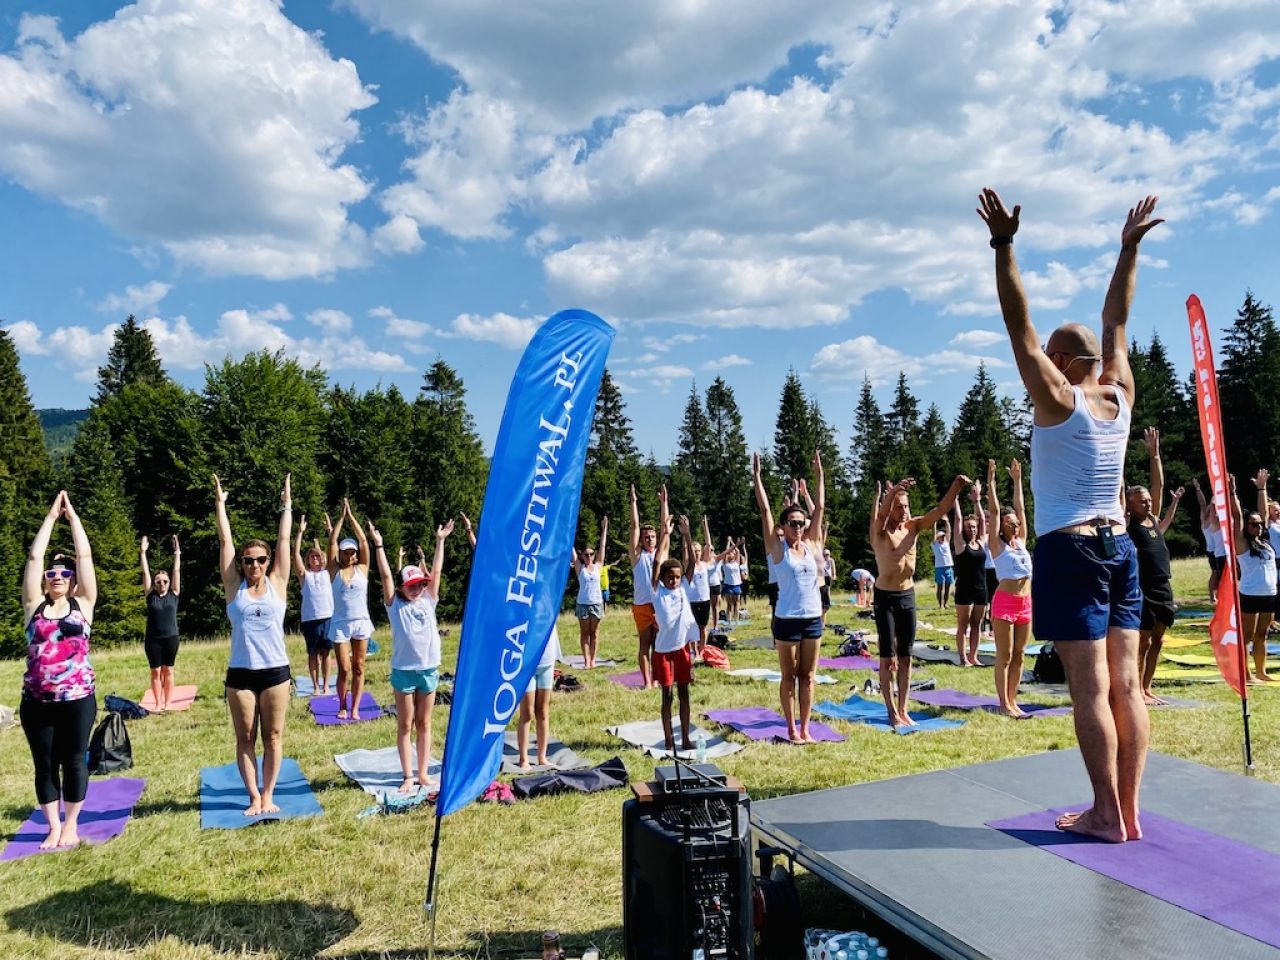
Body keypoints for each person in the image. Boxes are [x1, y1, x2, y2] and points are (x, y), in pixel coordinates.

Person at [979, 187, 1162, 841]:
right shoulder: (1121, 389)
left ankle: (1106, 813)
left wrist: (1004, 246)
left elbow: (1016, 325)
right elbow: (1117, 318)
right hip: (1120, 549)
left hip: (1073, 549)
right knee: (1127, 686)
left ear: (1059, 363)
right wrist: (1127, 249)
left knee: (1090, 690)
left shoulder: (1058, 397)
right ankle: (1129, 813)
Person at [21, 491, 98, 849]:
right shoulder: (33, 606)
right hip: (37, 701)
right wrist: (50, 519)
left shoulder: (83, 605)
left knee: (74, 760)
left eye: (64, 573)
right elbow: (35, 556)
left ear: (73, 580)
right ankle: (53, 826)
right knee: (45, 764)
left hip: (78, 699)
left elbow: (85, 555)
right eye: (52, 572)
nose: (57, 576)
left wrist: (74, 520)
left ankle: (72, 825)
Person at [214, 472, 292, 816]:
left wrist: (286, 506)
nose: (255, 565)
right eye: (248, 560)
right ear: (241, 565)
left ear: (268, 561)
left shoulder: (278, 581)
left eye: (261, 559)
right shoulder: (234, 586)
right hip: (241, 675)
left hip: (275, 672)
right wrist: (220, 505)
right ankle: (253, 796)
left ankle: (269, 793)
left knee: (273, 737)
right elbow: (225, 540)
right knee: (245, 738)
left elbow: (285, 538)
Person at [873, 475, 969, 727]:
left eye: (906, 506)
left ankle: (903, 709)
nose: (904, 510)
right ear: (890, 506)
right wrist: (891, 492)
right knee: (887, 658)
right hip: (885, 598)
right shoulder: (880, 532)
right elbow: (881, 516)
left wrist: (955, 486)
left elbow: (939, 511)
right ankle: (891, 711)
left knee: (906, 656)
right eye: (899, 506)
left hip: (907, 596)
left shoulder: (913, 527)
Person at [371, 519, 450, 792]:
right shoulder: (395, 606)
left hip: (428, 669)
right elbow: (384, 576)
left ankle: (424, 772)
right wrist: (379, 545)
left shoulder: (429, 600)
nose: (417, 589)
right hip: (403, 670)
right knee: (405, 724)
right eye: (412, 585)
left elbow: (437, 570)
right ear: (402, 587)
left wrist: (440, 541)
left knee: (424, 723)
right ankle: (407, 775)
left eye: (420, 585)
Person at [754, 452, 827, 743]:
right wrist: (757, 478)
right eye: (793, 523)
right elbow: (764, 512)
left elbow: (820, 506)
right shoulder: (778, 549)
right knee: (789, 676)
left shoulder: (810, 544)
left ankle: (806, 728)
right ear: (783, 527)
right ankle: (791, 729)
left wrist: (820, 474)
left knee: (808, 677)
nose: (798, 527)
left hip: (812, 618)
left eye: (801, 523)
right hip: (786, 620)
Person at [1127, 428, 1183, 704]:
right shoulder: (1129, 524)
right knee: (1143, 641)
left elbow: (1158, 486)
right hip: (1142, 588)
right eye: (1142, 501)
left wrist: (1155, 454)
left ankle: (1147, 688)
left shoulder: (1153, 519)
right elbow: (1121, 490)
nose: (1148, 503)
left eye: (1149, 500)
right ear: (1130, 505)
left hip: (1163, 586)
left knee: (1158, 641)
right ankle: (1135, 689)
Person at [650, 488, 698, 753]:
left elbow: (690, 561)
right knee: (667, 696)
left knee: (684, 694)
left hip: (681, 650)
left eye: (677, 577)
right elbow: (658, 561)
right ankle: (669, 739)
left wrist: (687, 535)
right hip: (663, 652)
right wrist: (665, 532)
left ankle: (685, 738)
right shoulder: (658, 591)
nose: (674, 580)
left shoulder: (683, 589)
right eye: (670, 577)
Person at [986, 459, 1033, 716]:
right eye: (1010, 522)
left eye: (1016, 522)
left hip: (1026, 603)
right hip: (1005, 601)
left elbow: (1021, 509)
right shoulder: (997, 545)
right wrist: (991, 481)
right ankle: (1003, 704)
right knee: (1004, 655)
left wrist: (1017, 480)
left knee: (1020, 655)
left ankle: (1013, 701)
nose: (1015, 525)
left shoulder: (1022, 541)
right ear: (1002, 525)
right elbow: (993, 511)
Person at [327, 499, 374, 720]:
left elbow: (364, 541)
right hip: (340, 624)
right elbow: (331, 542)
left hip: (361, 621)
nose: (350, 555)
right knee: (344, 668)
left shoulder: (362, 569)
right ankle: (342, 705)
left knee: (359, 666)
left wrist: (352, 517)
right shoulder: (334, 570)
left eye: (352, 552)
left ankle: (355, 707)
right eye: (346, 552)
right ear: (342, 554)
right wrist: (341, 519)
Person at [1233, 471, 1276, 683]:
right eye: (1254, 524)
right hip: (1250, 594)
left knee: (1262, 635)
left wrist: (1262, 488)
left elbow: (1264, 513)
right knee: (1247, 637)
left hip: (1269, 594)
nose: (1258, 527)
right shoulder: (1241, 543)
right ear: (1246, 527)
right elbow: (1238, 517)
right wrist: (1232, 494)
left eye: (1259, 524)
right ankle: (1246, 674)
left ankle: (1261, 671)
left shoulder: (1264, 540)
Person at [140, 534, 181, 712]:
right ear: (155, 584)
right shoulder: (151, 596)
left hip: (171, 638)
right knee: (156, 672)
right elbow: (145, 572)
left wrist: (177, 553)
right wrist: (142, 552)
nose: (162, 583)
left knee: (168, 670)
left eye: (165, 581)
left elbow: (176, 571)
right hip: (153, 640)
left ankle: (168, 702)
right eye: (159, 581)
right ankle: (158, 703)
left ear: (169, 582)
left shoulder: (174, 594)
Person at [293, 516, 334, 696]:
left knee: (326, 654)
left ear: (322, 558)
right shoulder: (305, 576)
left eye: (318, 556)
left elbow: (334, 550)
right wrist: (300, 533)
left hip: (328, 617)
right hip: (310, 619)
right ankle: (315, 687)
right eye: (312, 556)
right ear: (308, 560)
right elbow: (294, 555)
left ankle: (326, 686)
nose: (315, 558)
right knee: (313, 654)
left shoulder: (328, 573)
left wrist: (330, 531)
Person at [950, 484, 988, 666]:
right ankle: (963, 657)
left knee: (977, 625)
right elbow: (957, 519)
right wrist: (955, 497)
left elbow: (981, 518)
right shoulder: (960, 545)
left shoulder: (981, 542)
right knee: (962, 626)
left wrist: (977, 500)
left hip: (981, 588)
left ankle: (974, 656)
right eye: (968, 527)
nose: (972, 530)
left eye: (973, 527)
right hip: (964, 589)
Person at [628, 485, 660, 688]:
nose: (649, 539)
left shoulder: (658, 554)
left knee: (659, 646)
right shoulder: (637, 556)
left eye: (652, 537)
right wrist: (634, 503)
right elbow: (634, 526)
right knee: (644, 645)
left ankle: (656, 679)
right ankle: (647, 682)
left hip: (658, 605)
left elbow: (666, 531)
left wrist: (663, 505)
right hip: (641, 605)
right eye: (646, 537)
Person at [518, 623, 561, 769]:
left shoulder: (550, 605)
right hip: (527, 663)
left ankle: (542, 757)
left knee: (543, 711)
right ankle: (523, 759)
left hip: (547, 662)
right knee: (527, 713)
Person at [571, 517, 608, 668]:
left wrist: (604, 529)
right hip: (583, 603)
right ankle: (586, 660)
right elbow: (571, 549)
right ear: (582, 556)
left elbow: (603, 546)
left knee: (595, 633)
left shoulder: (598, 566)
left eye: (591, 554)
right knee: (584, 633)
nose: (589, 557)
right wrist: (568, 530)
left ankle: (593, 659)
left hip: (596, 603)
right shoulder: (580, 568)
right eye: (586, 554)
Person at [1192, 478, 1226, 604]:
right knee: (1215, 573)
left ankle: (1214, 595)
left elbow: (1203, 504)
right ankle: (1213, 596)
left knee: (1216, 573)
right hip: (1213, 551)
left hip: (1213, 550)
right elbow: (1203, 503)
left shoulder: (1213, 520)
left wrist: (1198, 488)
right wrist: (1200, 489)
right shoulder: (1207, 521)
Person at [683, 522, 714, 658]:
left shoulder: (705, 564)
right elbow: (685, 549)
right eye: (694, 551)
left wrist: (705, 526)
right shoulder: (688, 565)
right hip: (692, 600)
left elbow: (709, 544)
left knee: (703, 627)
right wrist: (686, 533)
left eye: (698, 551)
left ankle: (702, 651)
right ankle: (693, 651)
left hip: (705, 599)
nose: (696, 553)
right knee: (692, 628)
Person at [932, 520, 954, 609]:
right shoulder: (935, 544)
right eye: (941, 536)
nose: (943, 537)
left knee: (948, 587)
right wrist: (934, 523)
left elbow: (949, 531)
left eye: (944, 536)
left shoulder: (947, 543)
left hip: (948, 567)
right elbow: (933, 534)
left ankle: (945, 604)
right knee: (940, 587)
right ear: (938, 537)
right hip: (939, 568)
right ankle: (940, 605)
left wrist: (947, 522)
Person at [720, 541, 743, 624]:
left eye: (732, 553)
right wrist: (728, 542)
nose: (731, 554)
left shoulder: (736, 563)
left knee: (737, 602)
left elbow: (738, 552)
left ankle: (736, 620)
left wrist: (734, 543)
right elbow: (726, 552)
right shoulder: (725, 563)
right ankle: (729, 620)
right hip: (728, 585)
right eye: (730, 553)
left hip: (737, 585)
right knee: (729, 604)